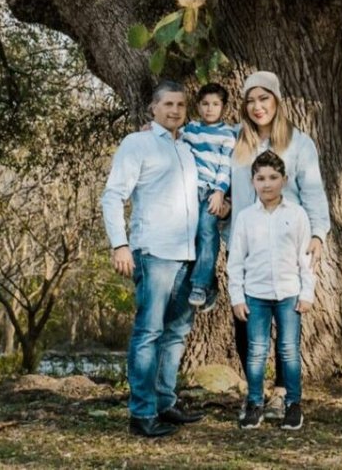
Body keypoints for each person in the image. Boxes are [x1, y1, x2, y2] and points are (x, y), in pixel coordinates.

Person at [100, 80, 207, 438]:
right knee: (148, 332)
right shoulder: (138, 143)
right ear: (153, 108)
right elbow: (113, 196)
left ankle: (165, 402)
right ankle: (141, 414)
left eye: (180, 105)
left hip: (187, 254)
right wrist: (120, 244)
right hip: (154, 252)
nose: (175, 110)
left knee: (176, 332)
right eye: (168, 105)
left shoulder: (188, 147)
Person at [228, 70, 329, 420]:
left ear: (277, 101)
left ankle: (284, 393)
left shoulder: (299, 143)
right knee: (245, 322)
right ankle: (254, 392)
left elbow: (314, 191)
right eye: (251, 101)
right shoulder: (236, 143)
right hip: (247, 240)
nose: (257, 107)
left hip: (289, 241)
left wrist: (318, 233)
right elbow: (204, 152)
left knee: (288, 329)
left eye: (264, 99)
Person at [227, 149, 315, 430]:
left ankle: (293, 404)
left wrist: (307, 292)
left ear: (284, 180)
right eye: (261, 178)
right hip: (256, 294)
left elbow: (306, 258)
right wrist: (237, 297)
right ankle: (254, 403)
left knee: (289, 349)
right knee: (256, 351)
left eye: (273, 177)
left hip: (289, 293)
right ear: (253, 181)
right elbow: (236, 260)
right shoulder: (245, 218)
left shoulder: (297, 214)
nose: (267, 184)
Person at [182, 82, 237, 308]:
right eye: (205, 104)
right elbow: (172, 140)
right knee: (190, 235)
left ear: (223, 107)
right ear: (197, 106)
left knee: (206, 230)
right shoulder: (191, 129)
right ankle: (211, 284)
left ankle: (200, 285)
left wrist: (219, 192)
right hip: (187, 191)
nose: (209, 109)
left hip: (211, 193)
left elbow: (226, 167)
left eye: (215, 104)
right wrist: (150, 126)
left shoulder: (227, 135)